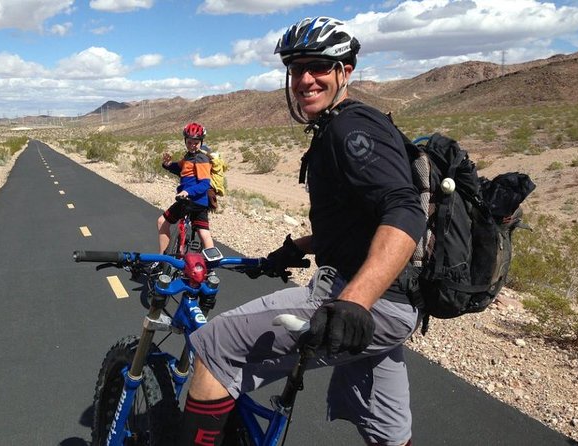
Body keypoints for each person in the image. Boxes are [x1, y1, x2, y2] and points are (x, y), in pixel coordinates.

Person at [177, 17, 425, 446]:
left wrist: (355, 303)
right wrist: (294, 248)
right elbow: (357, 223)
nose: (305, 78)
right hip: (396, 306)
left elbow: (403, 211)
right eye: (296, 69)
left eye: (319, 67)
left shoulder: (351, 129)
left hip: (368, 301)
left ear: (345, 71)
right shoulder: (342, 125)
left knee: (213, 346)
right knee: (388, 432)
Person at [157, 122, 215, 255]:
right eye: (189, 142)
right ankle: (212, 268)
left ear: (201, 142)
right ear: (185, 141)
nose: (192, 145)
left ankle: (161, 260)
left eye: (195, 142)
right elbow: (181, 169)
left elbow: (205, 183)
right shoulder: (189, 156)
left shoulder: (201, 158)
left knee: (163, 222)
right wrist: (168, 165)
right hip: (193, 201)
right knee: (202, 232)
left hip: (194, 201)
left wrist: (187, 191)